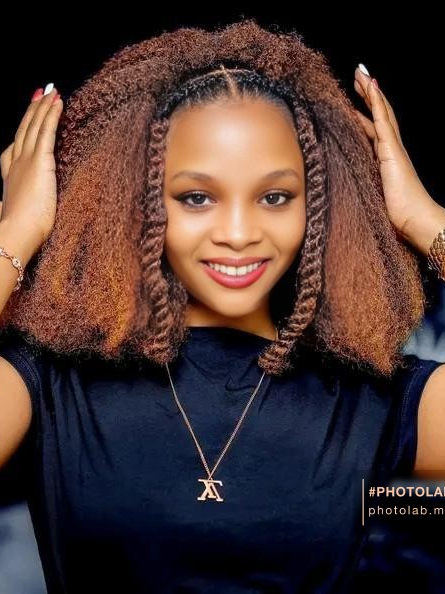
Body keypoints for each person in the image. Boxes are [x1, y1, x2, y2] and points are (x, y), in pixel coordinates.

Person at [0, 17, 444, 594]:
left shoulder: (373, 401)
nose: (238, 233)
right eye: (197, 197)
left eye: (275, 196)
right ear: (135, 201)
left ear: (318, 206)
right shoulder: (51, 385)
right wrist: (18, 231)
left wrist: (424, 220)